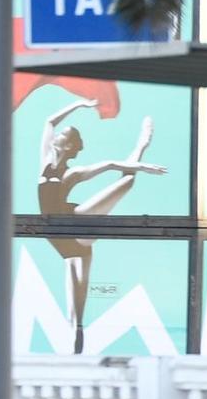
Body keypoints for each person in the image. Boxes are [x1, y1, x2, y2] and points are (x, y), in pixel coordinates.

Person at [37, 98, 165, 354]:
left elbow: (108, 164)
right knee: (76, 301)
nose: (59, 134)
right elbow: (50, 121)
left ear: (71, 146)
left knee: (125, 183)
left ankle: (141, 145)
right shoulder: (45, 161)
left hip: (73, 224)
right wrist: (79, 104)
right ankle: (76, 335)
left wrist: (140, 165)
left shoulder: (73, 173)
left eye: (65, 134)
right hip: (59, 236)